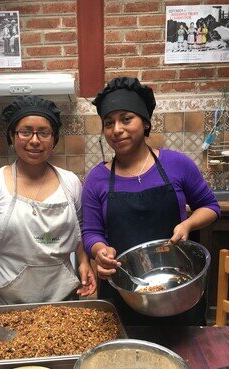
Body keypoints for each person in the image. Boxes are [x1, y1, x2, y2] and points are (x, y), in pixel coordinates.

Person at [82, 77, 220, 326]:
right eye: (108, 123)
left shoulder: (177, 164)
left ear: (145, 122)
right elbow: (91, 232)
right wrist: (100, 252)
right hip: (124, 289)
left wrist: (188, 224)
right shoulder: (97, 178)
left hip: (175, 286)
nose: (116, 129)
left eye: (126, 119)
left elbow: (210, 207)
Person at [0, 95, 97, 324]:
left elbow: (79, 230)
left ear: (54, 139)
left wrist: (84, 261)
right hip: (8, 303)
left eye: (44, 133)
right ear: (12, 136)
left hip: (64, 300)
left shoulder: (70, 183)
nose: (35, 140)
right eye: (25, 131)